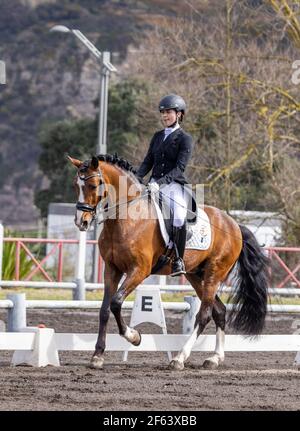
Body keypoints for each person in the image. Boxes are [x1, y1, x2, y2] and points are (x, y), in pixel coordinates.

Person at [136, 94, 194, 276]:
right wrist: (136, 178)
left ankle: (178, 260)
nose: (164, 116)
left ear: (179, 114)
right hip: (153, 185)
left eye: (168, 113)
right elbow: (148, 161)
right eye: (162, 113)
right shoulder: (157, 136)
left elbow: (179, 168)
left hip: (173, 185)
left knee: (178, 217)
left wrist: (160, 183)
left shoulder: (185, 139)